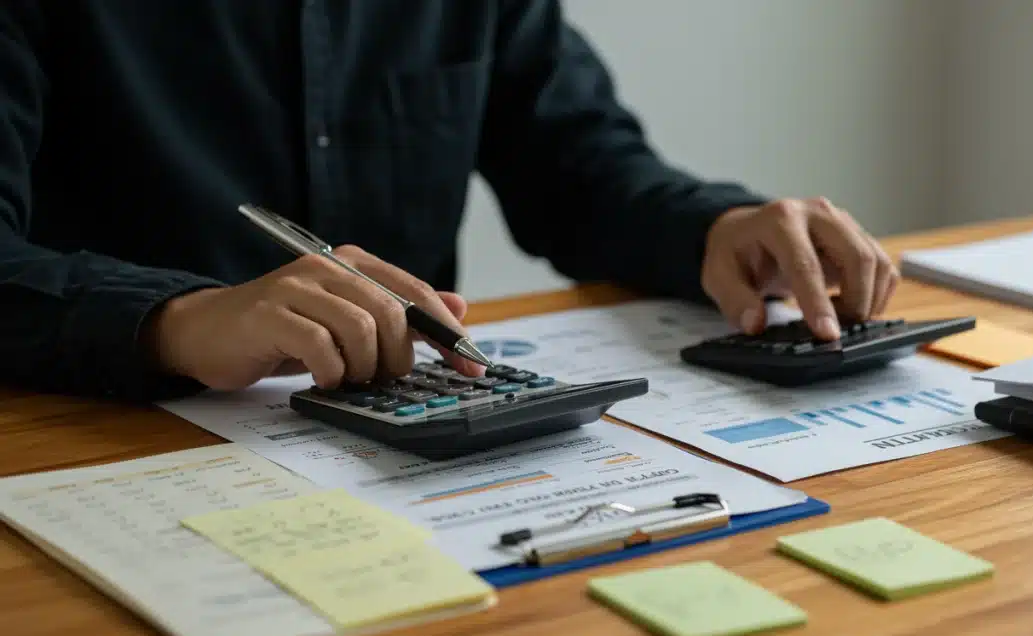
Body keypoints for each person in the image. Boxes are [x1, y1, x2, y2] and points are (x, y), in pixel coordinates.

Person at [0, 1, 898, 401]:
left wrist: (716, 227)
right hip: (99, 442)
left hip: (411, 439)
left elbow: (582, 168)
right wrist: (177, 321)